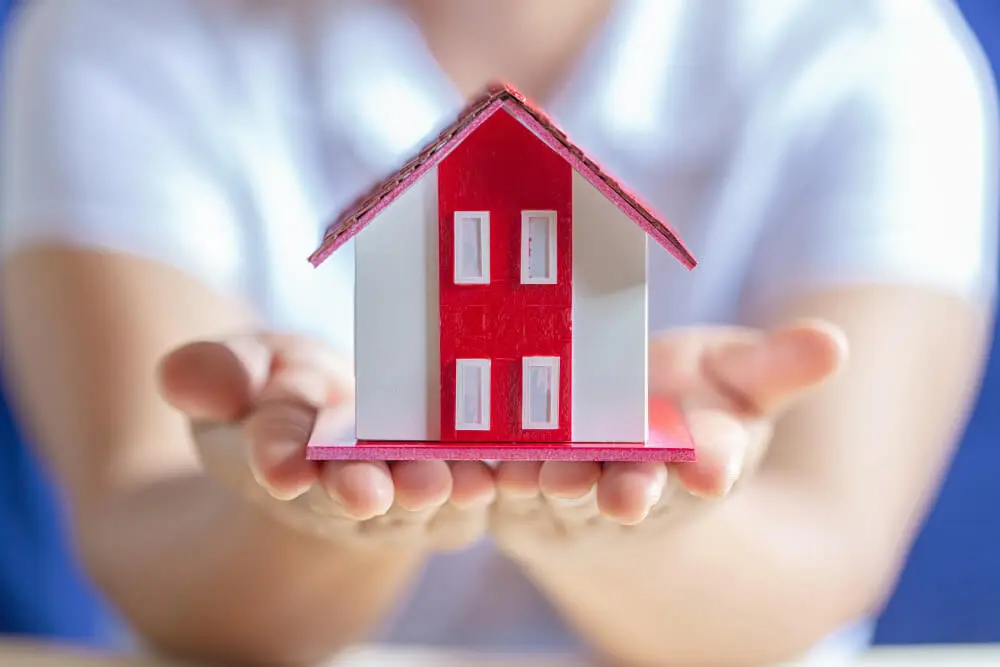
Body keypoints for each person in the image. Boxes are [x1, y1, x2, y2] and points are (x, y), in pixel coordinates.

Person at [0, 0, 996, 664]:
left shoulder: (873, 48)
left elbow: (826, 554)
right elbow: (136, 525)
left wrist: (627, 530)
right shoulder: (117, 33)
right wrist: (303, 511)